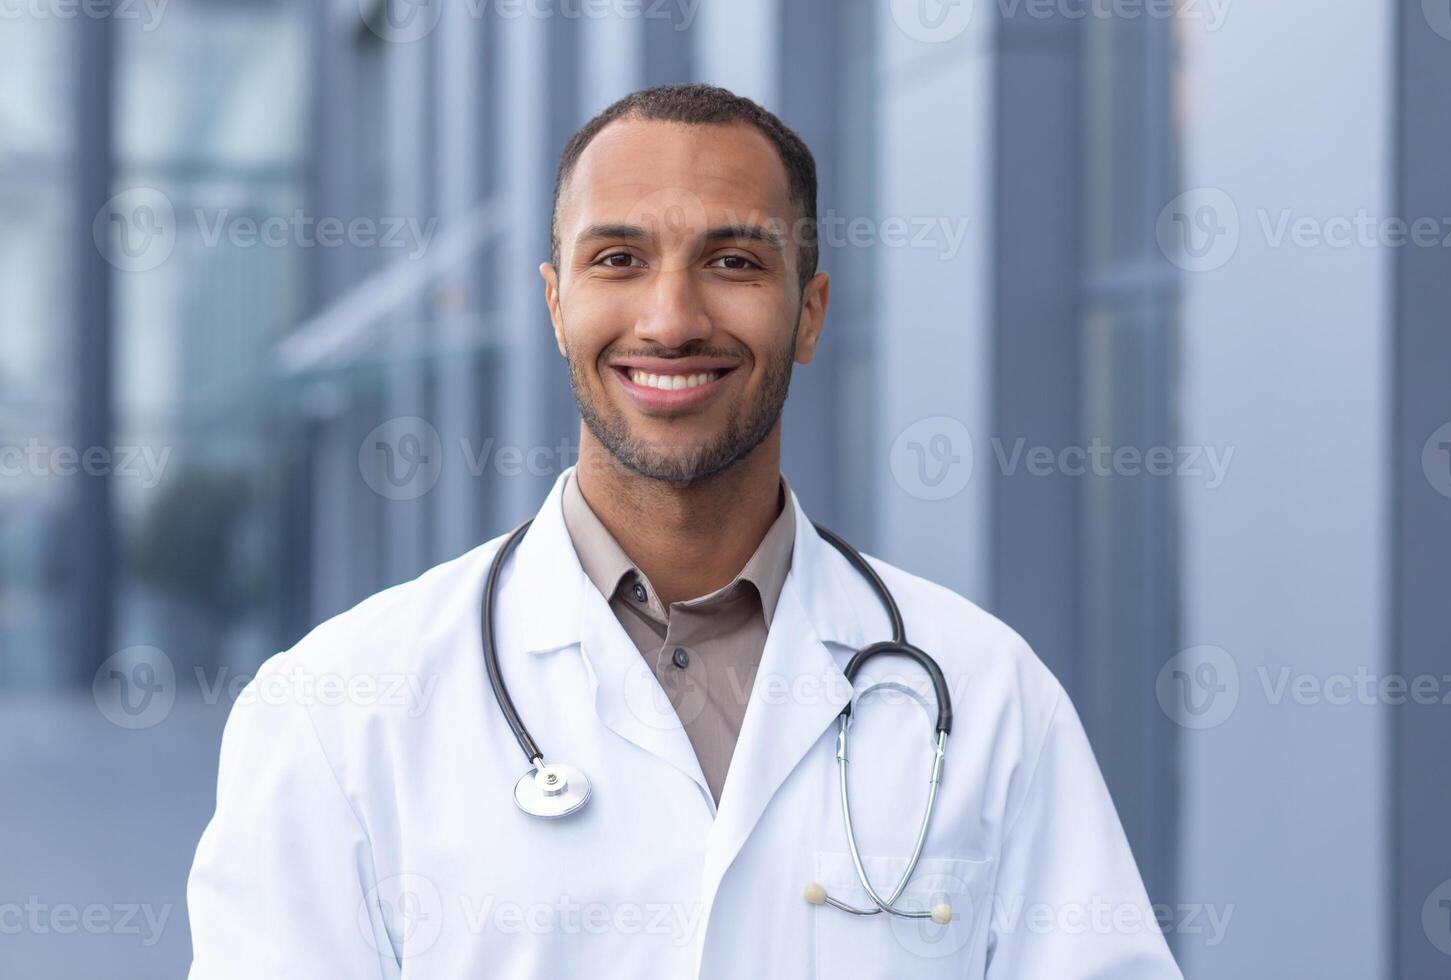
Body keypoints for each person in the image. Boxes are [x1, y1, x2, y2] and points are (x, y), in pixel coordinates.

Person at [185, 83, 1184, 978]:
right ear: (556, 301)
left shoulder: (987, 693)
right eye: (618, 258)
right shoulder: (337, 707)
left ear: (810, 311)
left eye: (734, 259)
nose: (671, 317)